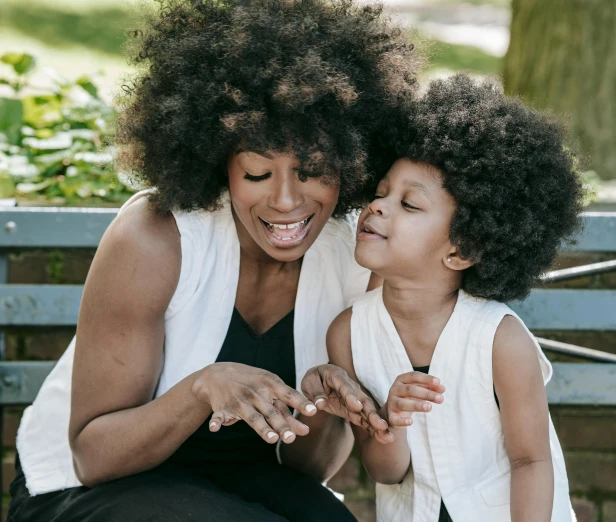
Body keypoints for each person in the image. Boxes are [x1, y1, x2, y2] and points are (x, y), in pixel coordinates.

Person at [8, 1, 419, 520]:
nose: (286, 202)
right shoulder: (157, 239)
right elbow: (93, 456)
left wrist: (315, 409)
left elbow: (309, 471)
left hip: (236, 485)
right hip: (83, 490)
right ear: (220, 163)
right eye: (256, 175)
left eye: (313, 170)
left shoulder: (352, 263)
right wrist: (204, 387)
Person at [312, 75, 583, 521]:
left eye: (409, 204)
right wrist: (389, 421)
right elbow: (386, 472)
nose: (377, 206)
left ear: (461, 250)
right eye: (380, 193)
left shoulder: (499, 339)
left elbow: (531, 461)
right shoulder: (348, 333)